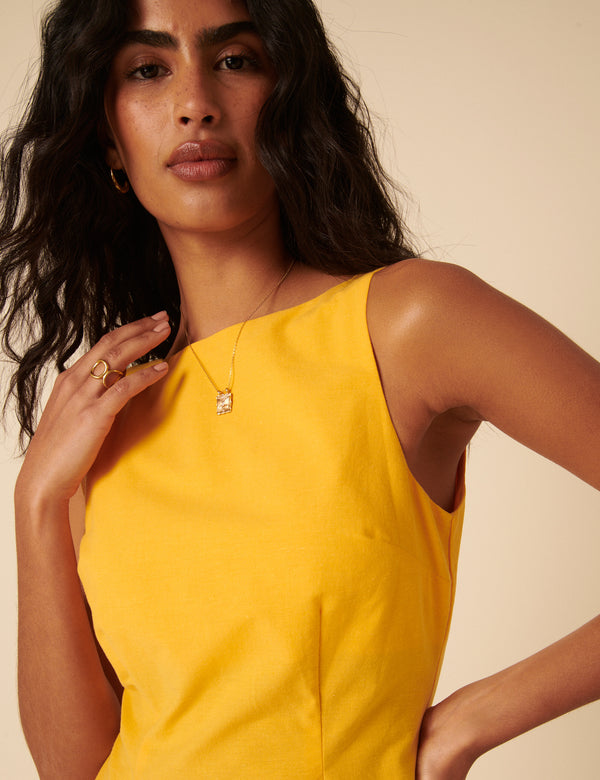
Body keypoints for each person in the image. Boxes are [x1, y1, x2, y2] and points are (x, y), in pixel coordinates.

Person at [1, 0, 598, 777]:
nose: (195, 104)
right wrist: (37, 505)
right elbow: (73, 769)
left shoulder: (408, 323)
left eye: (235, 60)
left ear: (288, 96)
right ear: (109, 138)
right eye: (147, 70)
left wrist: (473, 719)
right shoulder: (108, 411)